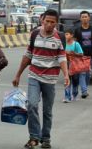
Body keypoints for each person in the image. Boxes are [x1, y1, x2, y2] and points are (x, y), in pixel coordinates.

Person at [12, 9, 69, 149]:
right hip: (34, 76)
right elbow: (28, 55)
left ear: (56, 23)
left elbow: (62, 57)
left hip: (50, 79)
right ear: (42, 20)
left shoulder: (60, 37)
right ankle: (34, 137)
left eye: (52, 22)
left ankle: (46, 138)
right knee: (31, 105)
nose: (49, 24)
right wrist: (18, 74)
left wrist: (66, 75)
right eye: (47, 21)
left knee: (47, 111)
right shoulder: (35, 34)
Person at [73, 10, 92, 99]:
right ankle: (84, 91)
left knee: (87, 73)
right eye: (82, 17)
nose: (84, 18)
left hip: (90, 55)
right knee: (82, 73)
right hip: (80, 55)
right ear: (80, 19)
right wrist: (74, 53)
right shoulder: (77, 30)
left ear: (89, 18)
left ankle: (84, 88)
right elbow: (75, 43)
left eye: (86, 16)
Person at [64, 28, 83, 103]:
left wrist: (73, 53)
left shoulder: (76, 44)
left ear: (72, 35)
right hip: (66, 64)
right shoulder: (63, 44)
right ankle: (67, 97)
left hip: (75, 65)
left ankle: (74, 95)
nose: (66, 36)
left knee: (75, 80)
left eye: (67, 34)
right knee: (67, 80)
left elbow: (81, 54)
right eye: (65, 34)